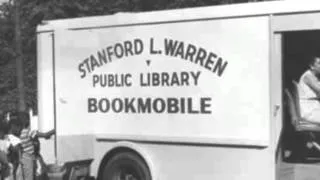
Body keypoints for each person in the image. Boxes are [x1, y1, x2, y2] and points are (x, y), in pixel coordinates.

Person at [14, 111, 54, 180]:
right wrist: (56, 130)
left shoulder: (21, 133)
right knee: (30, 177)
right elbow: (46, 135)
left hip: (27, 157)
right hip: (29, 157)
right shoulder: (29, 132)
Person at [299, 56, 320, 124]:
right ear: (312, 66)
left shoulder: (314, 77)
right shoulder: (308, 76)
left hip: (313, 109)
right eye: (319, 63)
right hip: (309, 111)